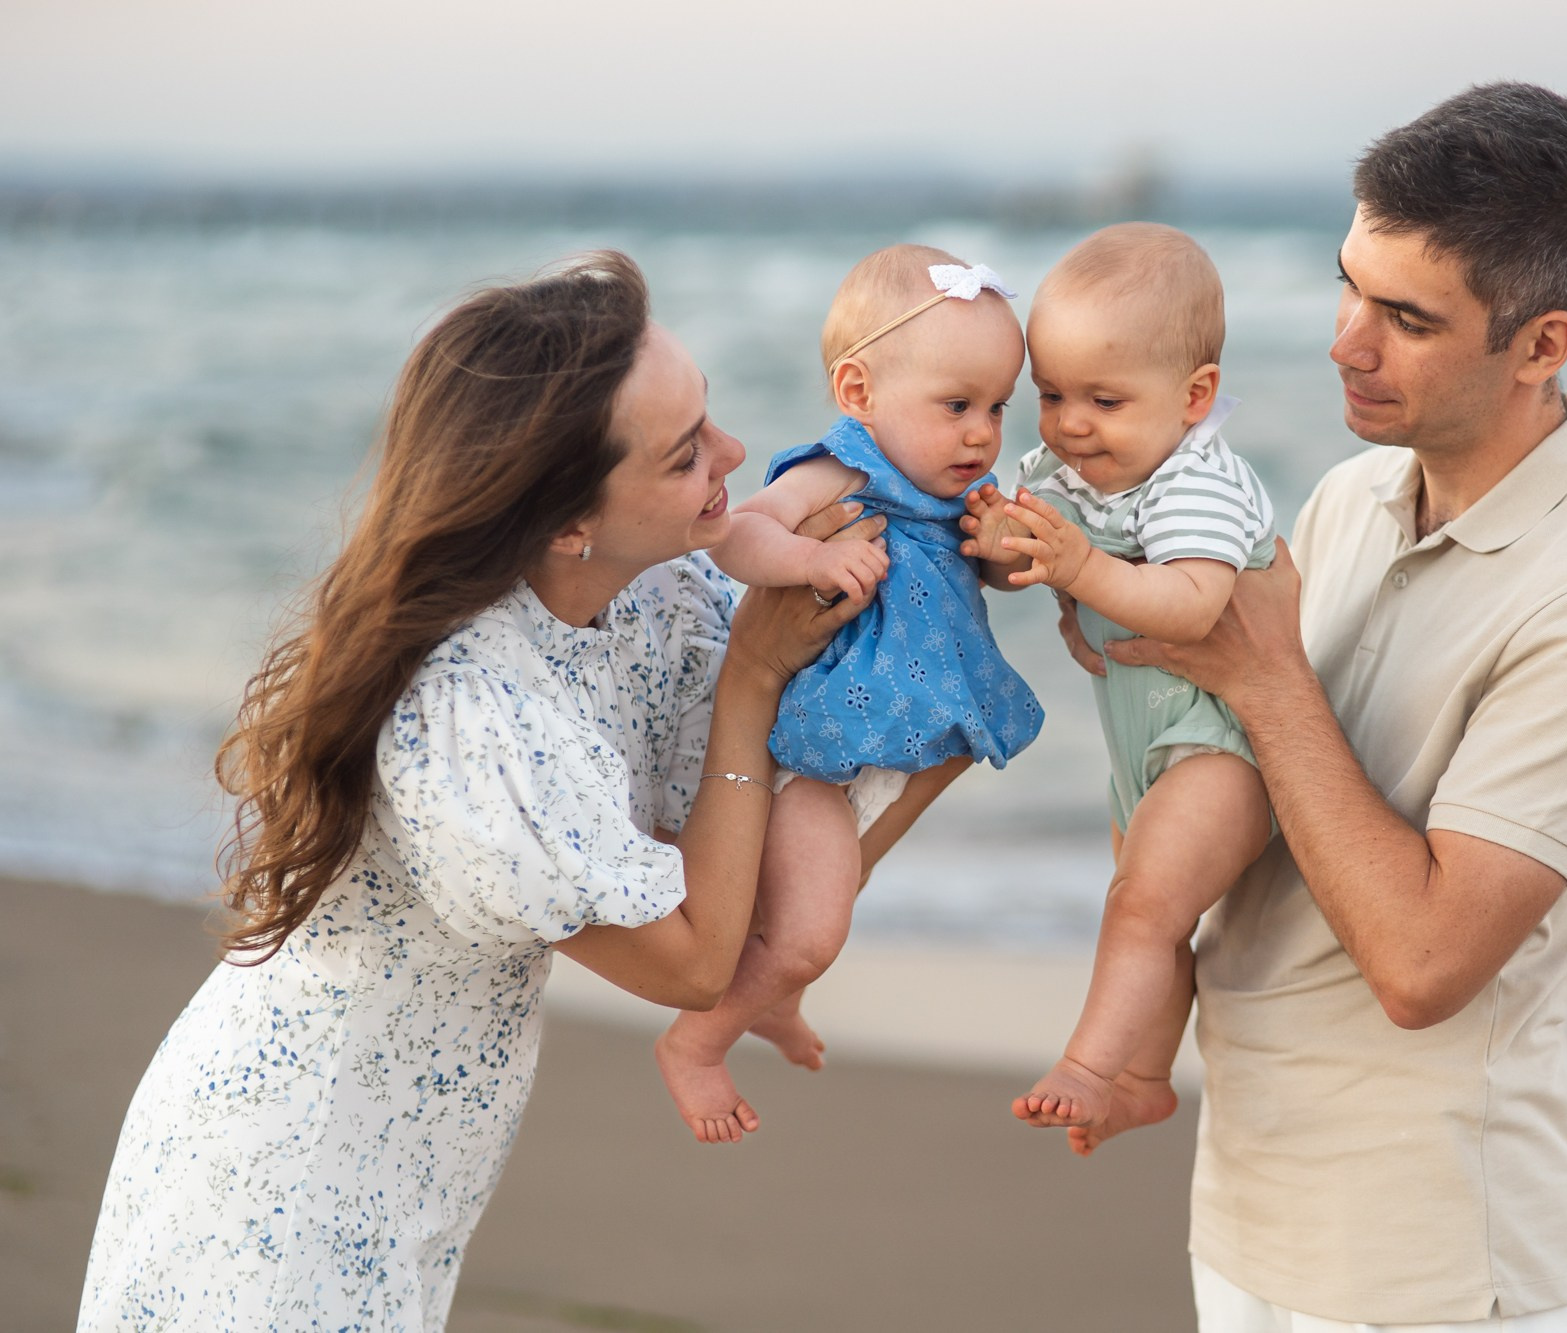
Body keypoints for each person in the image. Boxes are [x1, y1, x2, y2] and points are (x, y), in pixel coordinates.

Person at [77, 252, 879, 1331]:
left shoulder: (648, 596)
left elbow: (803, 755)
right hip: (278, 1197)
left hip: (403, 1184)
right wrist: (748, 680)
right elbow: (693, 958)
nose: (735, 457)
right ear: (564, 524)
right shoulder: (466, 711)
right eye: (688, 454)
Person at [1078, 85, 1567, 1329]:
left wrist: (1260, 675)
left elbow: (1423, 967)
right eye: (1348, 286)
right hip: (1248, 1204)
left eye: (1405, 318)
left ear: (1541, 344)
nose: (1343, 342)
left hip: (1431, 1262)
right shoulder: (1350, 499)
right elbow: (1245, 809)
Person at [656, 243, 1042, 1143]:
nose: (983, 433)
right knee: (810, 929)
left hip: (880, 741)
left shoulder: (959, 487)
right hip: (808, 746)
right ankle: (697, 1042)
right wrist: (814, 557)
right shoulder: (848, 466)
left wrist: (1011, 559)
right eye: (957, 405)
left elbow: (980, 579)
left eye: (996, 407)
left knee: (825, 900)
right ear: (861, 391)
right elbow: (737, 533)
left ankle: (772, 999)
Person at [958, 223, 1276, 1131]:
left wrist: (1080, 572)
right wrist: (994, 550)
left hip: (1225, 749)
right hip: (1142, 752)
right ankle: (1142, 1077)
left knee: (1141, 905)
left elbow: (1195, 606)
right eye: (1051, 394)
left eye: (1104, 397)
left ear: (1194, 396)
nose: (1071, 423)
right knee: (1149, 910)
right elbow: (1023, 560)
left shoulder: (1198, 479)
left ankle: (1088, 1066)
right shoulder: (1069, 471)